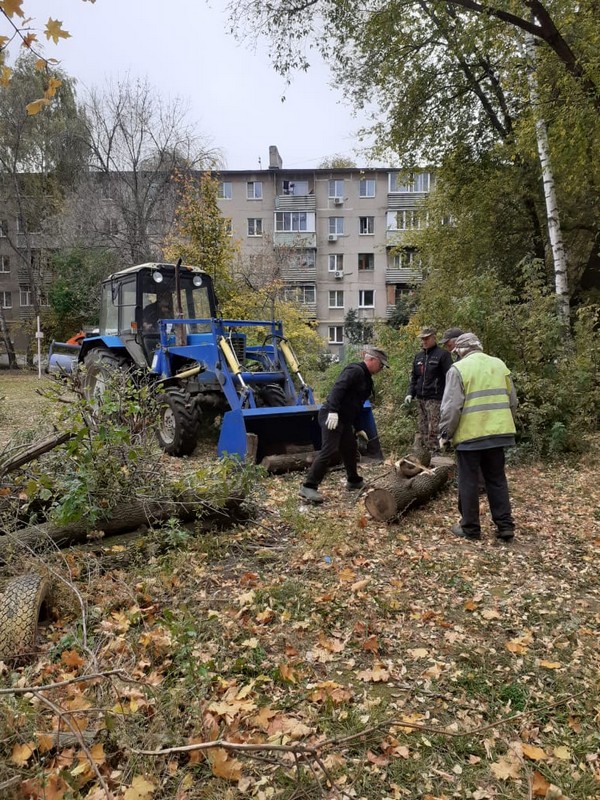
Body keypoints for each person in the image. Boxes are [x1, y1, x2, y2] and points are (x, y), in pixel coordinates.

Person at [438, 333, 517, 542]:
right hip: (499, 434)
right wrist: (502, 424)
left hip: (470, 438)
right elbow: (512, 401)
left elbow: (451, 407)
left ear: (461, 350)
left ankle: (471, 528)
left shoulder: (458, 369)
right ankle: (505, 526)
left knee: (469, 481)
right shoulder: (499, 365)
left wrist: (445, 434)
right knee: (497, 480)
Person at [300, 346, 389, 504]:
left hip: (344, 419)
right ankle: (309, 486)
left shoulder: (366, 377)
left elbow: (355, 404)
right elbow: (338, 388)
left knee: (349, 448)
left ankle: (353, 480)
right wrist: (333, 410)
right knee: (329, 450)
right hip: (332, 416)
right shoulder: (355, 370)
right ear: (372, 360)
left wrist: (359, 427)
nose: (382, 368)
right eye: (381, 364)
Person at [404, 327, 453, 454]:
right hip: (421, 397)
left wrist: (449, 397)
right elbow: (414, 378)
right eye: (422, 339)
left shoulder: (443, 355)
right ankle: (425, 454)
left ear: (433, 338)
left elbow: (450, 377)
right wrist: (410, 393)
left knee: (434, 428)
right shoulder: (418, 357)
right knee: (423, 428)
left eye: (426, 338)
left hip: (435, 398)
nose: (424, 341)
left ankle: (435, 454)